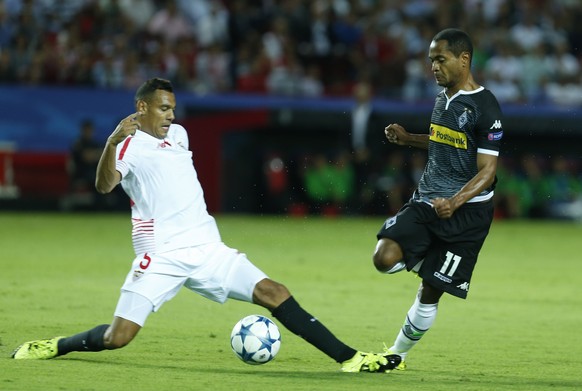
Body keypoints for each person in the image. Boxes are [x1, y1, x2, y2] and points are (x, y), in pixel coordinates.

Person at [12, 78, 400, 373]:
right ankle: (58, 345)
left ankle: (351, 359)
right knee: (118, 337)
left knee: (274, 291)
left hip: (209, 249)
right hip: (161, 256)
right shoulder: (127, 145)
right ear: (141, 107)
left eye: (173, 108)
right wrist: (112, 142)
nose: (171, 116)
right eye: (163, 108)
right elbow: (104, 185)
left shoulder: (179, 135)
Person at [373, 29, 503, 370]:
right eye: (431, 60)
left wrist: (456, 202)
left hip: (468, 216)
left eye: (440, 60)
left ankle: (395, 355)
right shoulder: (441, 99)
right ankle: (424, 262)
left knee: (431, 292)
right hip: (428, 201)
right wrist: (407, 139)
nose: (433, 67)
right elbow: (442, 141)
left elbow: (487, 171)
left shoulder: (485, 107)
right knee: (383, 257)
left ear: (464, 59)